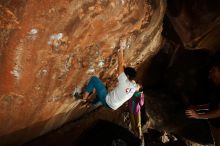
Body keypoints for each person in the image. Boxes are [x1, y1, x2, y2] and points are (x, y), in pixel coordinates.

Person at [82, 45, 138, 110]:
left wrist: (121, 48)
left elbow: (120, 64)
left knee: (94, 79)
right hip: (112, 107)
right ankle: (92, 104)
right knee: (104, 89)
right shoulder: (133, 87)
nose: (123, 74)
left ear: (127, 76)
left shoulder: (124, 81)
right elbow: (138, 87)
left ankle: (83, 99)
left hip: (107, 101)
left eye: (125, 74)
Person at [185, 59, 220, 146]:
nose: (210, 74)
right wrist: (198, 108)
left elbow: (219, 111)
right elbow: (214, 104)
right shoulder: (217, 87)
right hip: (215, 125)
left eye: (214, 71)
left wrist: (198, 116)